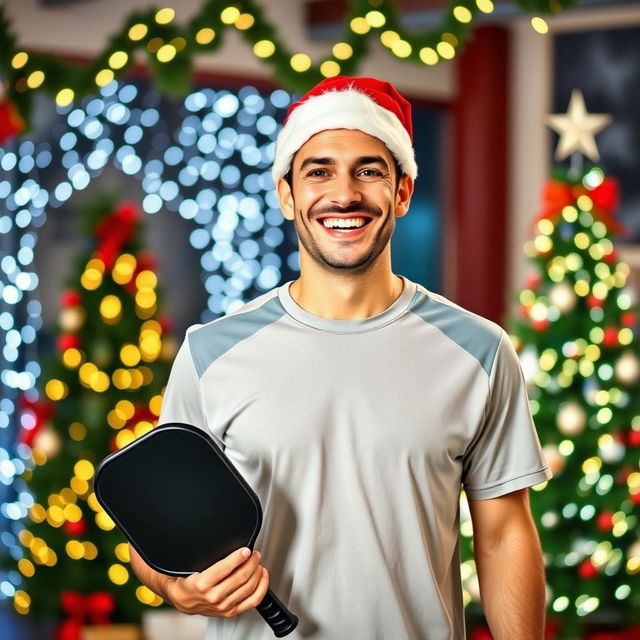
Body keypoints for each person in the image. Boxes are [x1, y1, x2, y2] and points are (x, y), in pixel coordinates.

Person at [129, 76, 552, 639]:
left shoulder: (479, 350)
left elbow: (503, 536)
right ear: (287, 195)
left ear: (401, 192)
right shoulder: (211, 354)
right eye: (319, 171)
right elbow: (159, 529)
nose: (345, 194)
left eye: (370, 170)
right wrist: (175, 587)